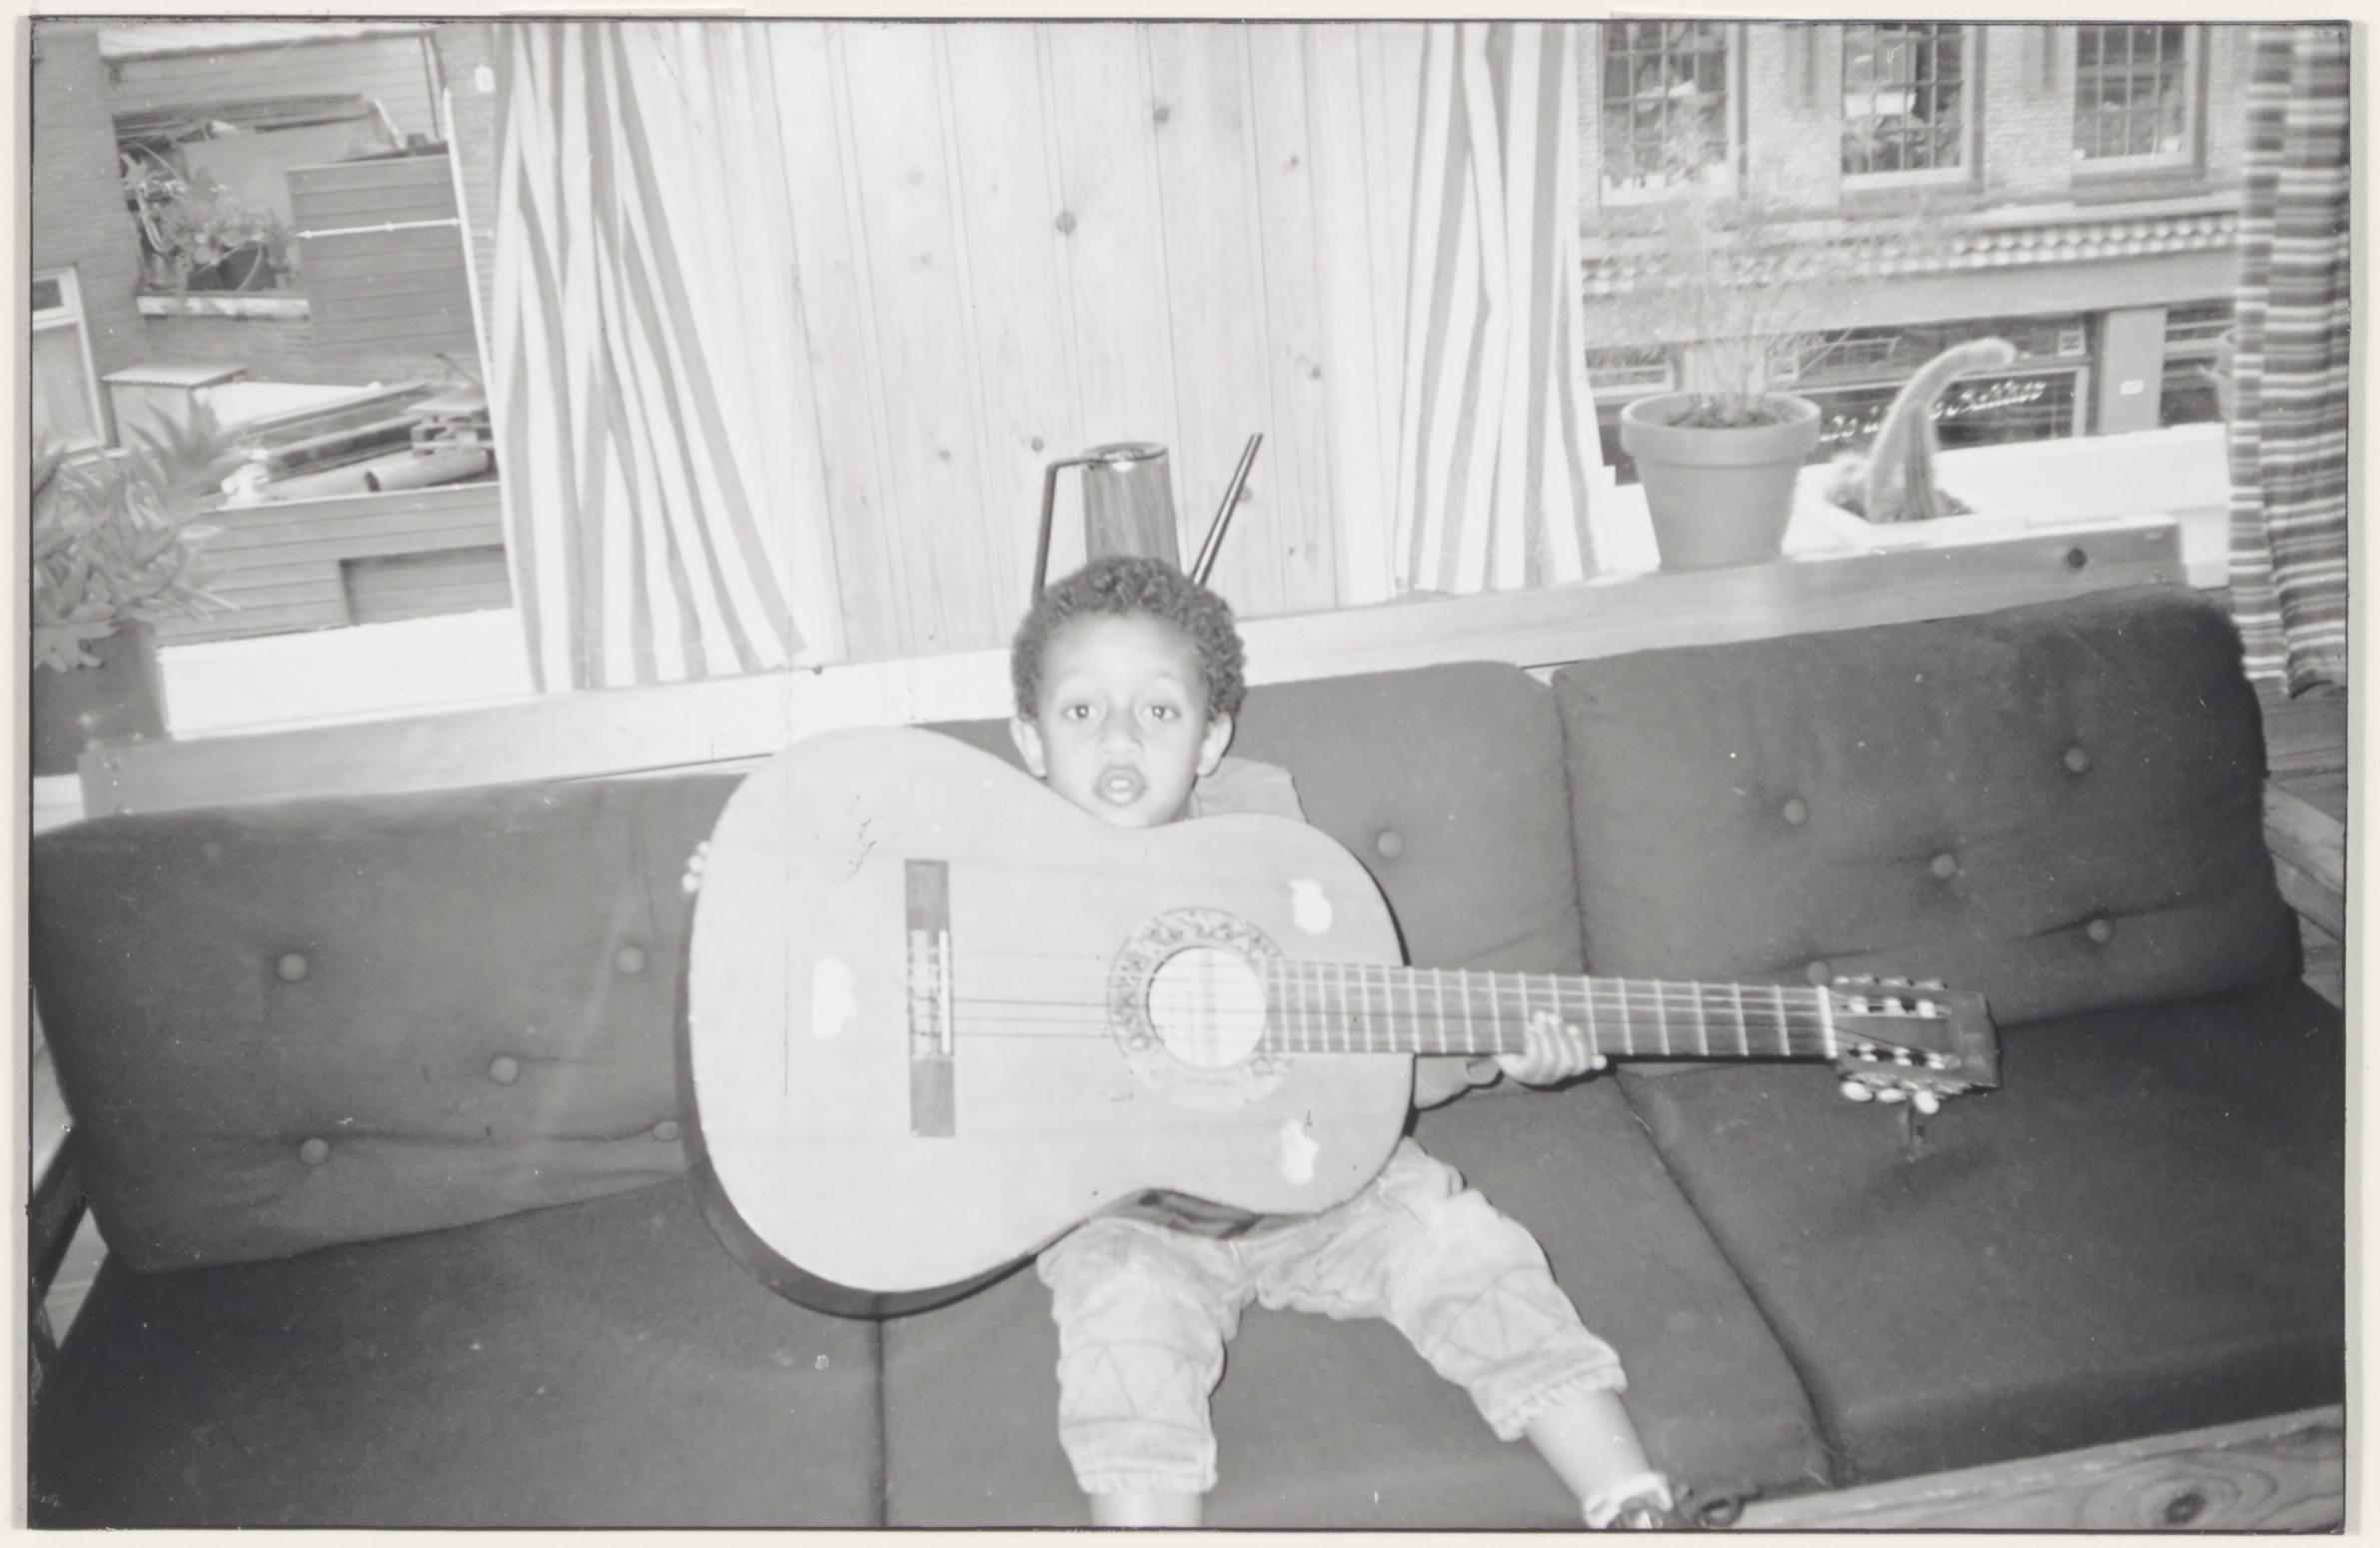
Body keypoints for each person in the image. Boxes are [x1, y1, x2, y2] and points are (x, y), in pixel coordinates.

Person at [1007, 555, 1675, 1530]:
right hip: (1131, 1220)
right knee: (1123, 1333)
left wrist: (1498, 1051)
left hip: (1324, 1180)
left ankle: (1634, 1503)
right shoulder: (996, 865)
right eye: (1081, 710)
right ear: (1031, 738)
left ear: (1210, 737)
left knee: (1467, 1248)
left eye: (1158, 709)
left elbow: (1365, 1032)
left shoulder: (1279, 854)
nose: (1120, 736)